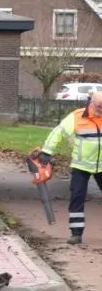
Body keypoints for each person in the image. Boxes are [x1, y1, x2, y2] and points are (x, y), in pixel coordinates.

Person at [39, 90, 102, 245]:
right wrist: (47, 151)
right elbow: (58, 132)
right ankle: (76, 233)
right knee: (77, 198)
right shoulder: (77, 116)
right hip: (81, 165)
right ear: (91, 103)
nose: (101, 110)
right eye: (99, 106)